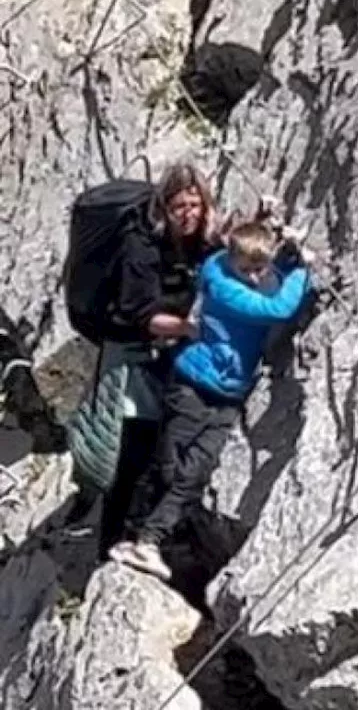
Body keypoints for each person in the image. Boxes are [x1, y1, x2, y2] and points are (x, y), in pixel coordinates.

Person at [109, 220, 312, 580]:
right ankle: (136, 535)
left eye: (258, 269)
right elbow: (277, 309)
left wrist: (287, 259)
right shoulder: (223, 286)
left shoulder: (232, 265)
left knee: (196, 472)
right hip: (193, 384)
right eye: (246, 269)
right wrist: (304, 271)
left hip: (228, 395)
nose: (253, 277)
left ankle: (148, 541)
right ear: (232, 261)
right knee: (172, 466)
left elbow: (270, 280)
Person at [62, 164, 221, 560]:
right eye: (179, 206)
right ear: (164, 208)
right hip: (130, 352)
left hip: (166, 350)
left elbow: (226, 252)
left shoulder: (198, 241)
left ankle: (144, 537)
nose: (188, 214)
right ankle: (113, 544)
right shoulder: (141, 244)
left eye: (195, 205)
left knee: (161, 445)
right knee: (133, 449)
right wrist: (189, 328)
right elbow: (141, 313)